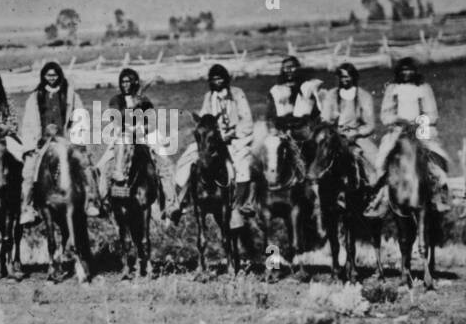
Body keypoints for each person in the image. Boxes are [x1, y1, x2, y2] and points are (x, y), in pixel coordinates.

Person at [170, 63, 255, 225]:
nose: (217, 82)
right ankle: (179, 201)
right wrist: (206, 129)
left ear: (226, 79)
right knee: (187, 159)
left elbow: (247, 120)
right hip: (213, 139)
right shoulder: (209, 97)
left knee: (242, 165)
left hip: (235, 139)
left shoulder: (237, 94)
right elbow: (205, 117)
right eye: (213, 79)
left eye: (220, 79)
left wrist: (231, 133)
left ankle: (239, 205)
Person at [18, 61, 101, 225]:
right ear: (43, 76)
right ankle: (28, 208)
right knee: (28, 171)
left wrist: (76, 138)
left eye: (54, 75)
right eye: (48, 75)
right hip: (43, 142)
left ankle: (92, 201)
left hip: (66, 140)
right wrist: (33, 143)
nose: (52, 78)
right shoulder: (35, 97)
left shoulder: (70, 95)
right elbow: (28, 123)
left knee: (86, 164)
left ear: (59, 75)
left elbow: (80, 116)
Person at [366, 57, 451, 216]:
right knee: (382, 159)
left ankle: (438, 193)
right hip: (399, 129)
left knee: (435, 155)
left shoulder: (424, 88)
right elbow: (385, 115)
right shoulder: (392, 89)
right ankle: (381, 198)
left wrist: (419, 122)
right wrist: (398, 120)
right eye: (404, 70)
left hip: (421, 128)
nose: (407, 73)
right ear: (399, 72)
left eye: (410, 70)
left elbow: (432, 114)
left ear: (415, 71)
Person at [95, 67, 175, 215]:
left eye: (128, 81)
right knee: (104, 165)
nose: (125, 84)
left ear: (134, 83)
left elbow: (151, 121)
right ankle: (104, 201)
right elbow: (115, 118)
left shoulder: (144, 100)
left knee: (164, 165)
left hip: (144, 135)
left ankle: (171, 204)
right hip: (122, 135)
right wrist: (131, 108)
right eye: (122, 82)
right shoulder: (116, 100)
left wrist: (141, 128)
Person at [264, 55, 324, 180]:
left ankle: (312, 178)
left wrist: (308, 127)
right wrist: (277, 129)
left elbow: (317, 113)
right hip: (283, 130)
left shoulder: (307, 88)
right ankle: (276, 179)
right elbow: (270, 116)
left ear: (298, 68)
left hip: (304, 130)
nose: (289, 71)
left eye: (292, 67)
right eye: (285, 68)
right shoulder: (276, 91)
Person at [319, 61, 379, 184]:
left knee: (376, 162)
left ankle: (375, 187)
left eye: (347, 76)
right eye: (341, 77)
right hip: (334, 135)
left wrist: (356, 133)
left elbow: (370, 124)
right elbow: (325, 118)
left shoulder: (364, 96)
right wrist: (332, 129)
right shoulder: (331, 94)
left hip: (356, 135)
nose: (344, 80)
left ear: (354, 77)